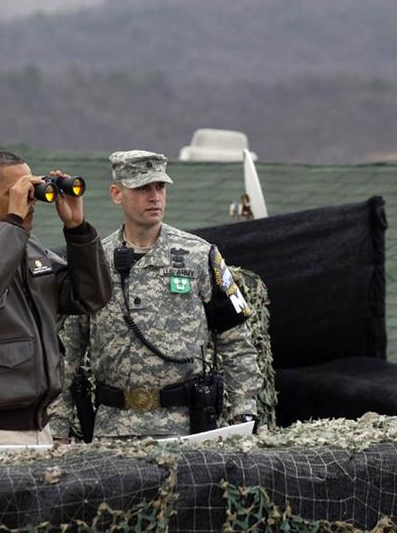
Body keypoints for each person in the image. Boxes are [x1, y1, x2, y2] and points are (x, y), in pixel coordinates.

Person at [53, 150, 263, 439]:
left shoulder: (199, 255)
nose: (155, 197)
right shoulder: (93, 261)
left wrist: (244, 415)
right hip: (113, 430)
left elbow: (236, 342)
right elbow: (68, 353)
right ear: (117, 194)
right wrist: (57, 430)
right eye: (142, 188)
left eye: (160, 187)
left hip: (187, 428)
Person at [0, 150, 111, 445]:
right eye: (17, 193)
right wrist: (13, 222)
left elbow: (91, 296)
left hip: (36, 423)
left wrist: (77, 230)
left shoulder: (28, 246)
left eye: (30, 190)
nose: (28, 200)